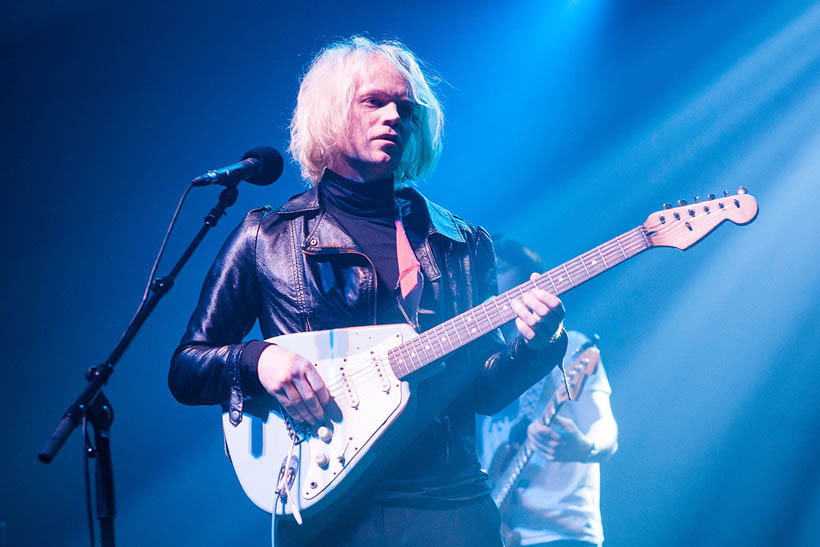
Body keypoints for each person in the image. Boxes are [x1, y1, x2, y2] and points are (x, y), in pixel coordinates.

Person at [168, 36, 569, 546]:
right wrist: (257, 361)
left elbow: (483, 389)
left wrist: (537, 344)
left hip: (446, 504)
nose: (394, 117)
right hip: (327, 506)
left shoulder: (459, 243)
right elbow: (187, 366)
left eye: (405, 108)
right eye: (374, 101)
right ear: (332, 113)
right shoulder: (267, 236)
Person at [478, 237, 618, 547]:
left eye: (500, 268)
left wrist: (584, 447)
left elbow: (605, 428)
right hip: (502, 534)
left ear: (529, 282)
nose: (491, 279)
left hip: (562, 534)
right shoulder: (482, 358)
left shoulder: (570, 347)